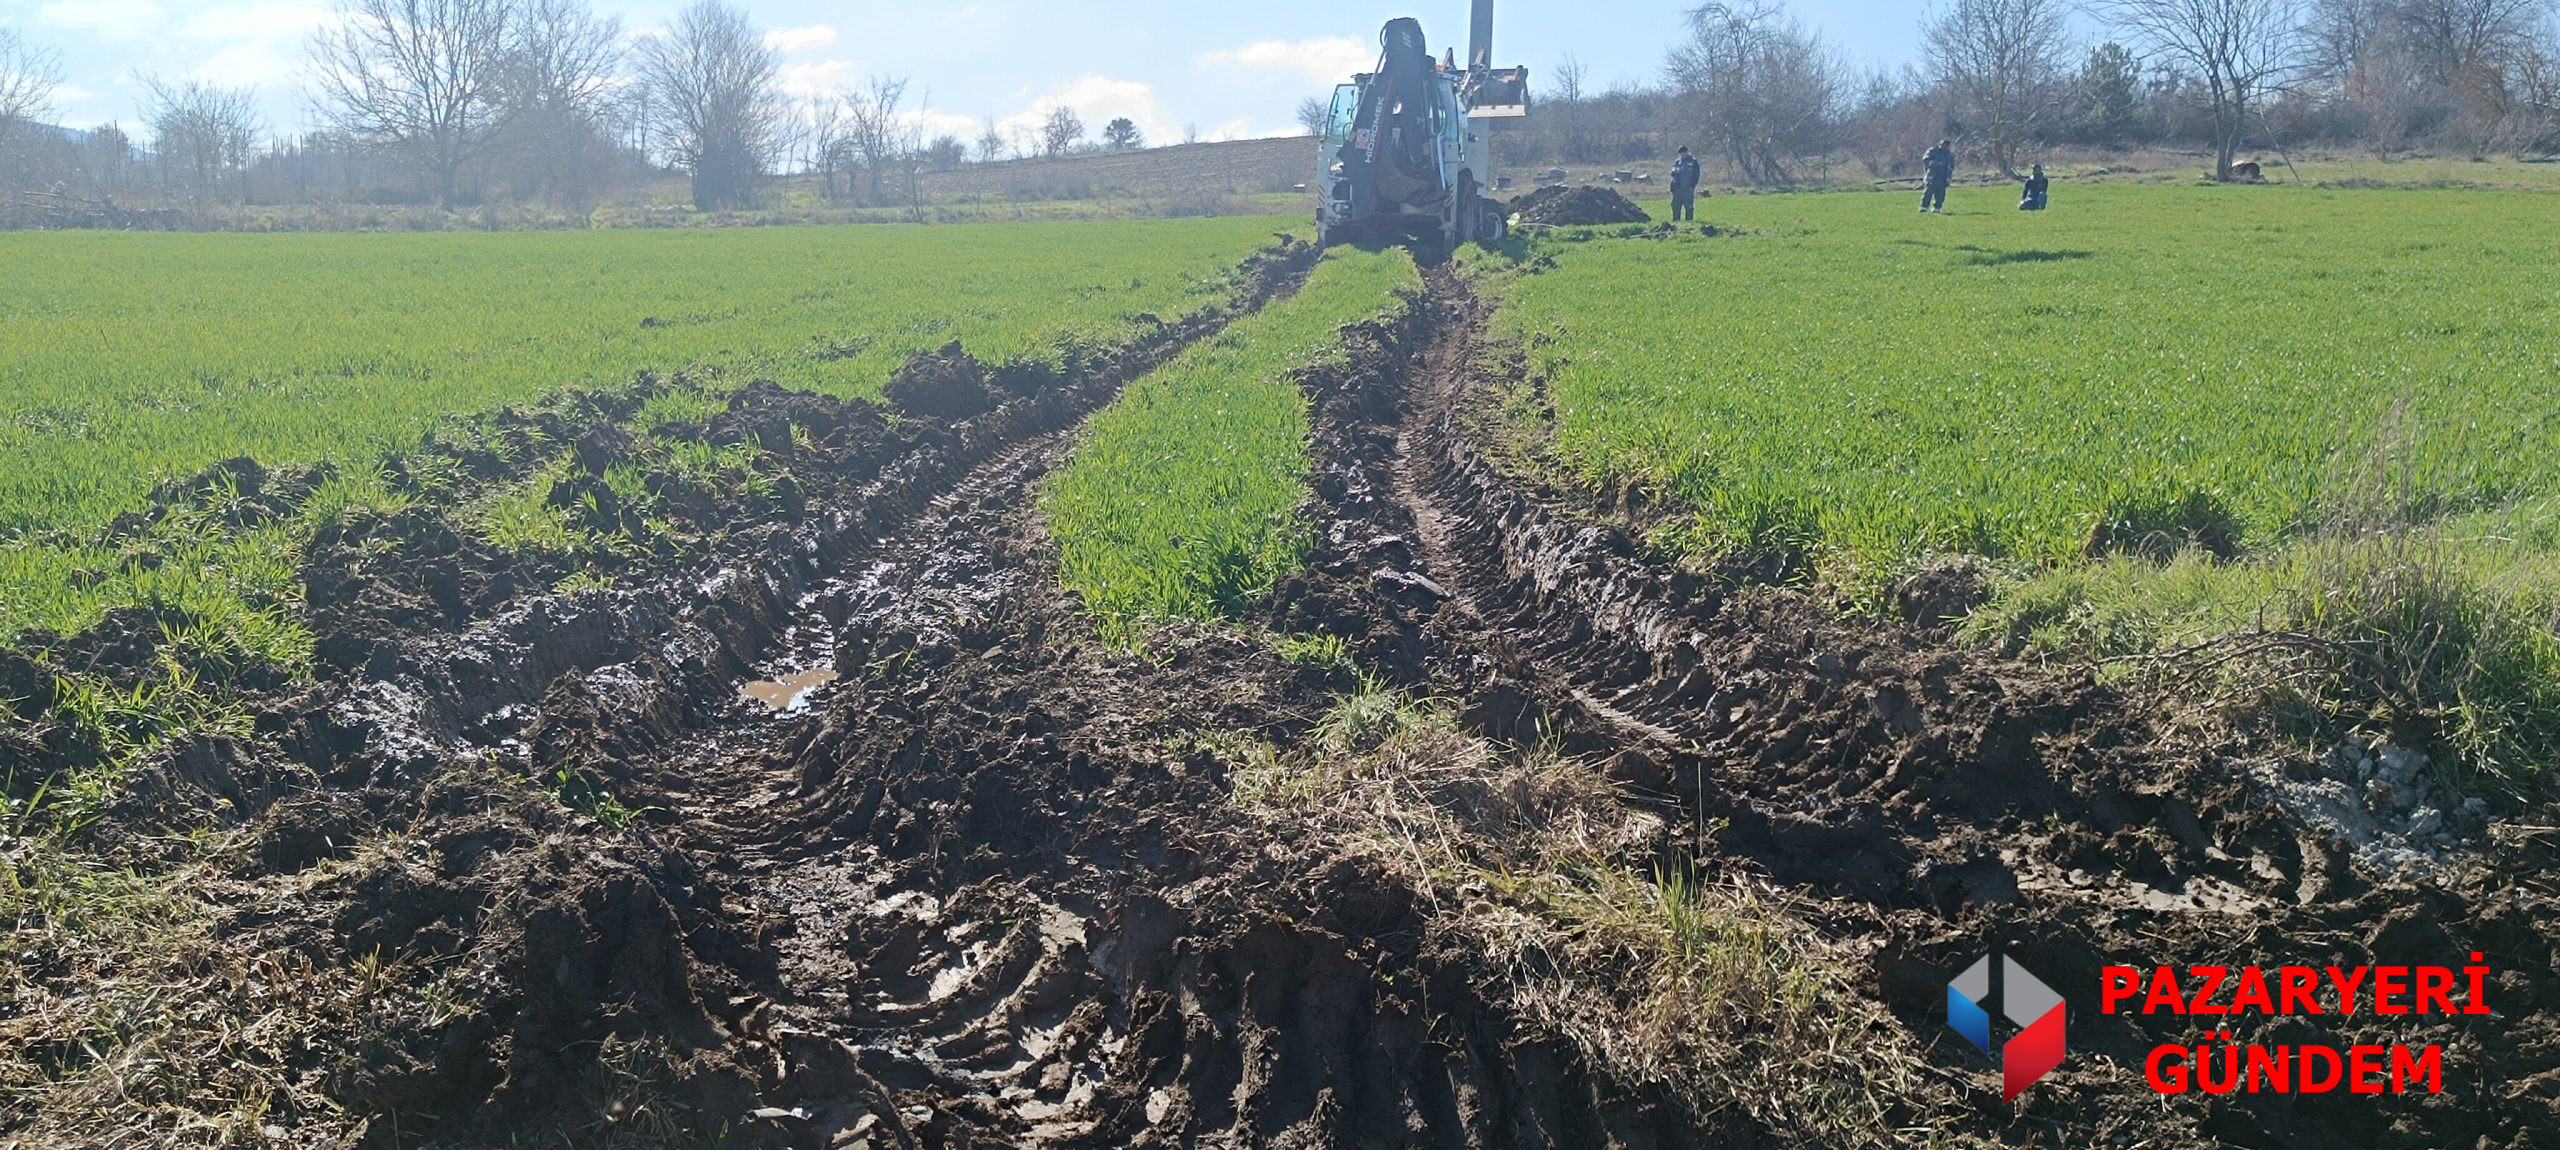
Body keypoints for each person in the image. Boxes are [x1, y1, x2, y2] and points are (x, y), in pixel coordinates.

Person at [1921, 139, 1955, 213]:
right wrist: (1937, 164)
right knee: (1927, 193)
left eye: (1946, 145)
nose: (1944, 147)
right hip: (1932, 177)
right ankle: (1924, 207)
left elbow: (1952, 166)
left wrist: (1949, 177)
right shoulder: (1932, 151)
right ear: (1940, 144)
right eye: (1943, 144)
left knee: (1940, 195)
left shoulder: (1949, 155)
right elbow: (1925, 161)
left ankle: (1937, 208)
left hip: (1943, 178)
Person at [1670, 146, 1702, 222]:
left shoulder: (1693, 161)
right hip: (1677, 188)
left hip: (1687, 188)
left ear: (1687, 152)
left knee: (1688, 206)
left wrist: (1692, 186)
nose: (1682, 155)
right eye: (1680, 154)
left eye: (1683, 153)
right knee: (1675, 206)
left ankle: (1689, 221)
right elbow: (1673, 174)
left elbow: (1696, 175)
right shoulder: (1677, 162)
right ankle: (1676, 221)